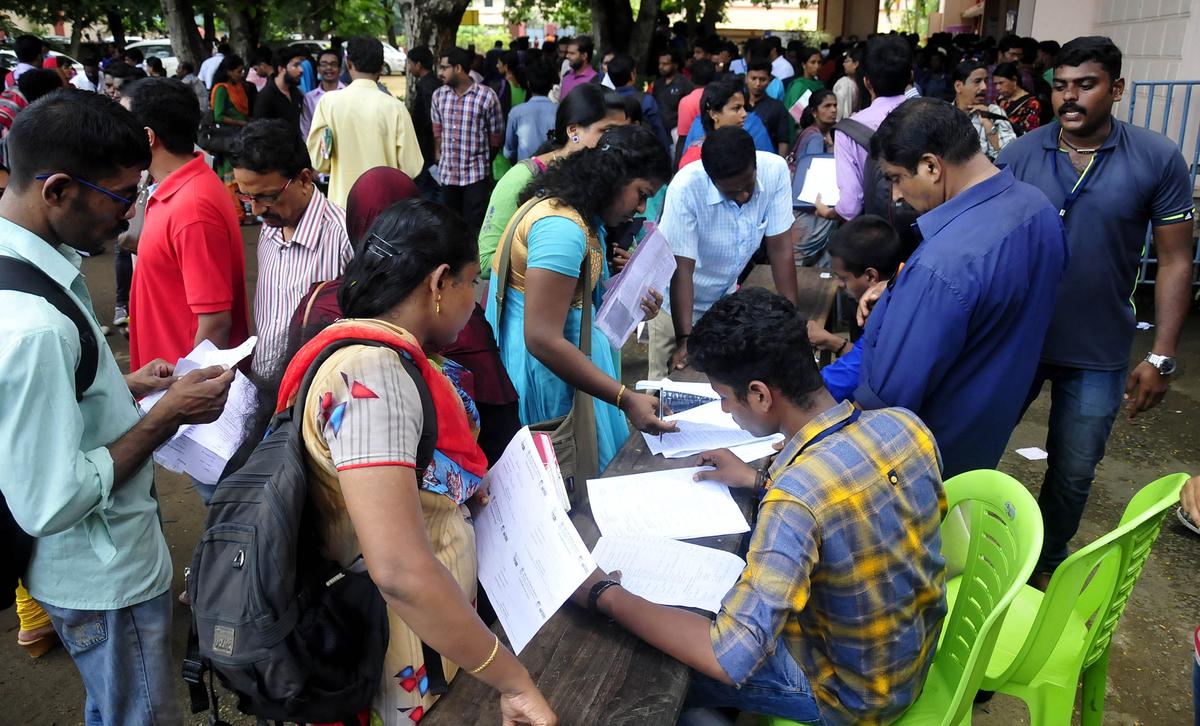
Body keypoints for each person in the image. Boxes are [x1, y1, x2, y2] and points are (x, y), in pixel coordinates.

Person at [572, 287, 947, 726]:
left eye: (724, 397)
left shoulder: (795, 499)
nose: (725, 410)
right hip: (908, 658)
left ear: (760, 395)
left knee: (650, 668)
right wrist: (756, 481)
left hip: (847, 696)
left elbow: (727, 655)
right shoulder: (905, 426)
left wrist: (604, 594)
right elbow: (854, 508)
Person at [0, 87, 234, 725]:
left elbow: (39, 400)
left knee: (113, 705)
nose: (130, 214)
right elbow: (52, 501)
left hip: (92, 568)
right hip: (102, 574)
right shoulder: (35, 328)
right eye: (121, 196)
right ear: (57, 190)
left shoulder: (30, 266)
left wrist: (119, 383)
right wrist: (167, 415)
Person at [274, 199, 557, 726]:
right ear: (439, 282)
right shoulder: (371, 379)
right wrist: (512, 681)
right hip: (404, 644)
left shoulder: (376, 354)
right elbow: (400, 571)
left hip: (422, 628)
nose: (474, 302)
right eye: (472, 283)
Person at [998, 36, 1196, 579]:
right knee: (976, 446)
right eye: (1061, 85)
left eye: (1086, 85)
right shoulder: (1019, 155)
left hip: (1097, 348)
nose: (1070, 97)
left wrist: (1161, 356)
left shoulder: (1156, 157)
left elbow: (1176, 260)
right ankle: (969, 552)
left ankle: (1045, 569)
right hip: (1016, 343)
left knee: (1074, 472)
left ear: (1117, 88)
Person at [854, 97, 1067, 479]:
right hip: (983, 440)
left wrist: (916, 294)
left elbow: (887, 401)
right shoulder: (1039, 209)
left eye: (896, 178)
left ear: (931, 166)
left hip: (921, 461)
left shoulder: (943, 264)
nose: (897, 195)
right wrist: (901, 294)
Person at [486, 125, 676, 470]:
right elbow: (542, 339)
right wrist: (624, 398)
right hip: (554, 375)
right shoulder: (562, 228)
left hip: (575, 368)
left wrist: (634, 301)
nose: (641, 208)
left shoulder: (581, 216)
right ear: (614, 177)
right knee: (570, 469)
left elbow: (580, 304)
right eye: (641, 194)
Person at [123, 78, 250, 498]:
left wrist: (185, 401)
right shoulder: (175, 191)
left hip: (196, 406)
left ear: (147, 137)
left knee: (224, 504)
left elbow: (214, 321)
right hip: (175, 390)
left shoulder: (192, 205)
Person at [653, 127, 798, 380]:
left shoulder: (775, 171)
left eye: (748, 185)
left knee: (725, 383)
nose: (743, 195)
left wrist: (791, 320)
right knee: (668, 388)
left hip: (723, 303)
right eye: (731, 192)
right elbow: (682, 271)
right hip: (673, 306)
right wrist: (685, 339)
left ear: (755, 165)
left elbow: (780, 249)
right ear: (711, 178)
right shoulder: (686, 188)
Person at [231, 119, 352, 377]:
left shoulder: (344, 238)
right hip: (263, 382)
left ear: (305, 179)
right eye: (246, 197)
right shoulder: (270, 226)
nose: (256, 210)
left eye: (267, 196)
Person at [480, 84, 626, 277]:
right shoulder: (521, 177)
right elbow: (486, 262)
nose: (619, 143)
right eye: (607, 132)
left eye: (623, 134)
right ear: (573, 131)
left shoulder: (597, 180)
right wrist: (553, 260)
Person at [307, 36, 424, 207]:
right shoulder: (395, 108)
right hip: (385, 207)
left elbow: (319, 161)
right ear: (381, 66)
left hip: (343, 207)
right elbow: (411, 167)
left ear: (348, 64)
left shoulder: (328, 103)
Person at [814, 34, 912, 224]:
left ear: (866, 81)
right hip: (928, 228)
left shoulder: (849, 131)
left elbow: (850, 207)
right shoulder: (932, 116)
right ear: (910, 77)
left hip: (876, 230)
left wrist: (829, 213)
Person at [809, 215, 903, 401]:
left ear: (871, 276)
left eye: (843, 278)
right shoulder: (903, 290)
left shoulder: (886, 322)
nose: (839, 284)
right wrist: (830, 341)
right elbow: (863, 353)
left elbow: (825, 390)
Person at [432, 47, 504, 234]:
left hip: (476, 175)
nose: (440, 73)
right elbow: (437, 129)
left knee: (473, 227)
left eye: (444, 68)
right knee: (450, 226)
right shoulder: (439, 95)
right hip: (448, 173)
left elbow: (495, 137)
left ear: (458, 68)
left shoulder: (486, 96)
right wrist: (438, 153)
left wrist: (485, 160)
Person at [679, 76, 774, 168]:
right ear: (714, 114)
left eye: (743, 107)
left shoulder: (745, 146)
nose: (744, 114)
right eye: (736, 108)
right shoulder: (695, 158)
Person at [791, 89, 839, 266]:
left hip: (800, 205)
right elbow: (817, 175)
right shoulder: (816, 138)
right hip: (809, 208)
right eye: (827, 106)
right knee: (802, 257)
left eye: (835, 105)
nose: (833, 110)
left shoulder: (810, 133)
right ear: (814, 112)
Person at [605, 53, 671, 152]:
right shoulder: (646, 101)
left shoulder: (604, 101)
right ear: (633, 74)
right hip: (642, 154)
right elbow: (659, 132)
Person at [952, 60, 1016, 160]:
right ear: (958, 86)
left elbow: (1010, 155)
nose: (984, 87)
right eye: (977, 81)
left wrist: (987, 123)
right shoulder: (944, 115)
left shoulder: (994, 112)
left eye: (985, 81)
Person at [503, 57, 557, 164]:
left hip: (525, 168)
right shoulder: (560, 111)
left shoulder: (516, 112)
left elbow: (509, 151)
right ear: (551, 86)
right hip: (552, 169)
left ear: (528, 84)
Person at [406, 46, 441, 198]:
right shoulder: (434, 82)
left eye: (410, 63)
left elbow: (430, 118)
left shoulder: (426, 86)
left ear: (418, 65)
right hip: (429, 144)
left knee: (428, 187)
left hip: (427, 145)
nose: (409, 68)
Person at [253, 48, 305, 135]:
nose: (301, 70)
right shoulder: (266, 96)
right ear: (281, 69)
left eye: (300, 65)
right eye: (296, 65)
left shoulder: (296, 92)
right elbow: (258, 132)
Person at [744, 58, 789, 156]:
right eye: (753, 78)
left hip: (767, 159)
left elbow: (783, 141)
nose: (758, 84)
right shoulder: (738, 104)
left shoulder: (777, 107)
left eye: (762, 79)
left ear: (769, 81)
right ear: (746, 79)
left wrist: (780, 162)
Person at [649, 48, 694, 140]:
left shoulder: (685, 84)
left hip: (676, 135)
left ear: (675, 65)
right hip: (658, 133)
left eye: (665, 64)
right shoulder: (657, 84)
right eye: (660, 63)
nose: (660, 67)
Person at [301, 49, 345, 142]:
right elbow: (305, 129)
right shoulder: (309, 98)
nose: (329, 68)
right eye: (324, 64)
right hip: (317, 148)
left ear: (340, 70)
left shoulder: (348, 94)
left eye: (333, 64)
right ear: (318, 69)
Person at [782, 46, 824, 133]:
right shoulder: (799, 86)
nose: (817, 66)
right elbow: (794, 114)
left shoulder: (820, 84)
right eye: (813, 62)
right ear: (804, 64)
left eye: (819, 62)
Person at [993, 61, 1041, 136]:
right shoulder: (999, 100)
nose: (997, 88)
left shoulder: (1031, 104)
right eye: (995, 84)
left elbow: (1031, 134)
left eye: (1001, 83)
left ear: (1014, 80)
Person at [833, 46, 861, 120]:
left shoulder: (844, 83)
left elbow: (840, 113)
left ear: (855, 64)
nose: (843, 64)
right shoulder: (865, 82)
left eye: (846, 61)